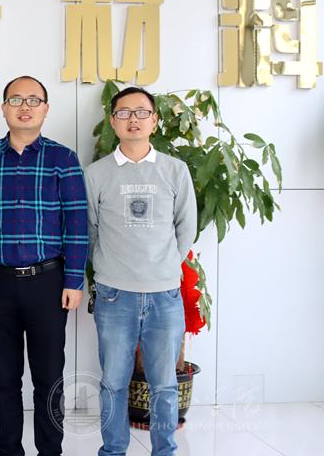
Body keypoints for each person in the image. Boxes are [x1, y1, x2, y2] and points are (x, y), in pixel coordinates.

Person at [0, 75, 88, 456]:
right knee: (4, 380)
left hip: (47, 283)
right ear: (3, 108)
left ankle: (50, 451)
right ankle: (9, 451)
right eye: (16, 100)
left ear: (46, 109)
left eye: (34, 100)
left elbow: (77, 222)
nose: (25, 107)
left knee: (49, 379)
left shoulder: (63, 159)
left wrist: (74, 279)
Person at [84, 86, 196, 456]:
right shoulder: (96, 174)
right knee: (113, 383)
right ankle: (113, 450)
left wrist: (165, 267)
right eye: (124, 112)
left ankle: (165, 451)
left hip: (165, 294)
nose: (133, 119)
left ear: (155, 121)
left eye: (142, 112)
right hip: (114, 295)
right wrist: (111, 268)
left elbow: (186, 226)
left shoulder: (175, 170)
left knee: (164, 384)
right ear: (113, 121)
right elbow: (90, 230)